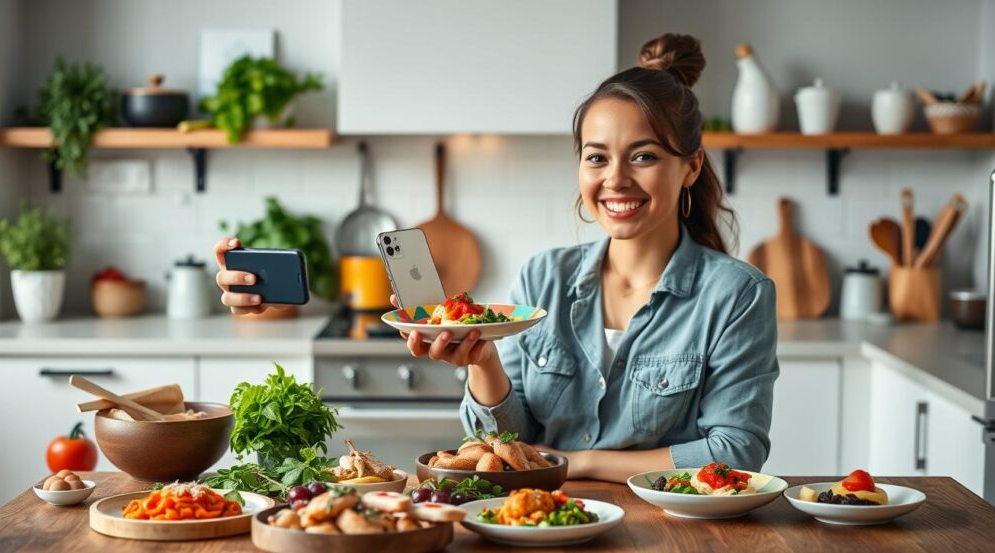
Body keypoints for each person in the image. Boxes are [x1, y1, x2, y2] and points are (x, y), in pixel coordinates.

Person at [214, 33, 778, 483]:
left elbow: (736, 452)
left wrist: (574, 464)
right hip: (534, 523)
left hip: (670, 533)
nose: (615, 180)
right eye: (596, 157)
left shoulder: (737, 294)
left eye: (644, 156)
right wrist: (483, 362)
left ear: (693, 166)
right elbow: (511, 437)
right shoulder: (544, 276)